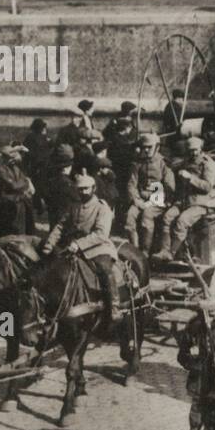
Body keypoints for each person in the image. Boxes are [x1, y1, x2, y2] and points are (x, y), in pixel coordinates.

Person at [39, 172, 121, 328]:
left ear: (93, 188)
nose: (83, 192)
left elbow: (101, 234)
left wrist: (79, 244)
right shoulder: (74, 206)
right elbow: (60, 226)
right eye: (80, 189)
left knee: (104, 269)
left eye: (86, 189)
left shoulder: (101, 208)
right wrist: (49, 244)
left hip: (98, 247)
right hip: (73, 247)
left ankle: (114, 306)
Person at [154, 137, 215, 262]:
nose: (193, 153)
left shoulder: (207, 163)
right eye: (190, 151)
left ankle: (171, 253)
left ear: (201, 149)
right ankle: (164, 250)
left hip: (202, 202)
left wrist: (190, 178)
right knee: (167, 217)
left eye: (195, 150)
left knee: (182, 221)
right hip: (185, 200)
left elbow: (207, 187)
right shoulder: (187, 161)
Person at [124, 132, 176, 255]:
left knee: (147, 215)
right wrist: (136, 200)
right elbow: (132, 184)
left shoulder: (164, 164)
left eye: (149, 147)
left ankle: (145, 251)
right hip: (141, 199)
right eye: (144, 147)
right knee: (129, 216)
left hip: (158, 200)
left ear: (157, 147)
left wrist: (153, 200)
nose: (146, 150)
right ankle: (134, 251)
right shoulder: (138, 163)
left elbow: (169, 187)